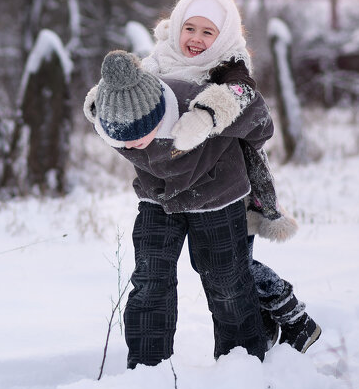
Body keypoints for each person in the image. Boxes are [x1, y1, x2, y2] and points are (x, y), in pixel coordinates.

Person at [141, 0, 321, 353]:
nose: (196, 39)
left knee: (228, 270)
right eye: (190, 28)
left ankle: (290, 314)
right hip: (174, 187)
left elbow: (243, 96)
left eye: (208, 32)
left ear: (222, 37)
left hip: (228, 189)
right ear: (176, 26)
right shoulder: (157, 62)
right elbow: (130, 95)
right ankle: (270, 325)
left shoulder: (229, 67)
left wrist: (208, 114)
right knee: (217, 267)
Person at [84, 49, 272, 366]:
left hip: (217, 193)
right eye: (122, 141)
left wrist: (229, 147)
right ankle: (147, 367)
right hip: (157, 196)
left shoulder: (191, 102)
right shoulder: (109, 115)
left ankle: (242, 362)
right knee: (149, 278)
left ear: (157, 115)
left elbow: (260, 124)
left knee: (225, 278)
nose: (129, 147)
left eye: (137, 137)